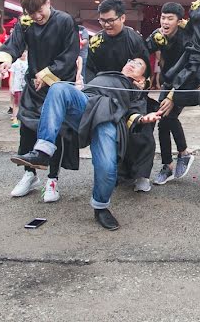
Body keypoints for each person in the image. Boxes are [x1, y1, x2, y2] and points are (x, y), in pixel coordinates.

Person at [11, 59, 161, 230]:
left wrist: (143, 118)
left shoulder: (134, 90)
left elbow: (134, 113)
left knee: (107, 167)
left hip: (109, 118)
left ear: (141, 80)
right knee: (59, 88)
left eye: (139, 65)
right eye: (131, 61)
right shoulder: (104, 75)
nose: (132, 63)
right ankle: (43, 153)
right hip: (85, 103)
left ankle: (101, 207)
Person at [0, 0, 80, 204]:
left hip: (58, 85)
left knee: (56, 131)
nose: (37, 16)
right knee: (27, 130)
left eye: (40, 11)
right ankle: (29, 175)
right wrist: (2, 61)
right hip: (34, 85)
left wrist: (47, 73)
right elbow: (12, 45)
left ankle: (52, 179)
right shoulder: (26, 23)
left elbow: (69, 55)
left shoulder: (65, 21)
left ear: (48, 3)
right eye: (32, 13)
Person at [85, 0, 154, 192]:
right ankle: (116, 173)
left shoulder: (134, 38)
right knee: (110, 133)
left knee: (141, 132)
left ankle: (142, 175)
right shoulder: (96, 41)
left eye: (111, 20)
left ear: (122, 18)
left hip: (132, 93)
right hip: (106, 94)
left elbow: (144, 68)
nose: (106, 25)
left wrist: (141, 84)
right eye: (102, 21)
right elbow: (90, 70)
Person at [146, 2, 194, 185]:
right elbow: (143, 50)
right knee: (163, 120)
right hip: (168, 81)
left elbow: (189, 67)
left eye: (170, 19)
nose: (165, 22)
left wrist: (173, 95)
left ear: (179, 21)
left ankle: (179, 156)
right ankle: (172, 161)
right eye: (163, 18)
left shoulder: (186, 37)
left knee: (167, 117)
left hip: (186, 82)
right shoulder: (159, 35)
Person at [9, 51, 28, 126]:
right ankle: (14, 117)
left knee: (26, 103)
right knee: (16, 103)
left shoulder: (29, 62)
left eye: (24, 52)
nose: (23, 54)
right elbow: (12, 76)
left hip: (26, 86)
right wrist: (11, 87)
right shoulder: (15, 63)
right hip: (17, 86)